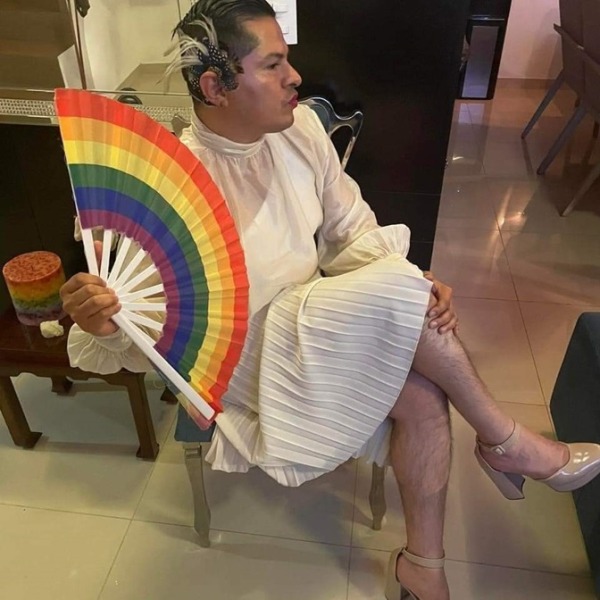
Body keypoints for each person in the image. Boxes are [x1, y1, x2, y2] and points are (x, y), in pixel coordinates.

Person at [60, 1, 600, 598]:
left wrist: (406, 286)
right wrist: (105, 324)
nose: (295, 77)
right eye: (273, 65)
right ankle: (506, 443)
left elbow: (352, 230)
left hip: (316, 318)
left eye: (287, 60)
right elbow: (146, 343)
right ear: (215, 86)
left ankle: (424, 568)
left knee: (423, 391)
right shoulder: (170, 191)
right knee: (404, 290)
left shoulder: (301, 132)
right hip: (248, 363)